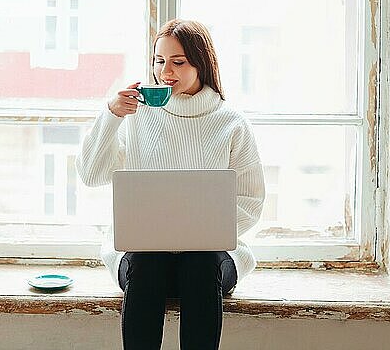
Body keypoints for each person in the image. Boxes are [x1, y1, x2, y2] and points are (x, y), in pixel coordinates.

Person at [76, 19, 265, 350]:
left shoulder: (232, 123)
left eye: (178, 62)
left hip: (208, 261)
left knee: (201, 263)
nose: (166, 72)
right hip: (146, 260)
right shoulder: (137, 115)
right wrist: (111, 115)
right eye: (159, 61)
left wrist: (201, 231)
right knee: (148, 262)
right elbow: (91, 175)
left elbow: (251, 201)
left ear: (201, 63)